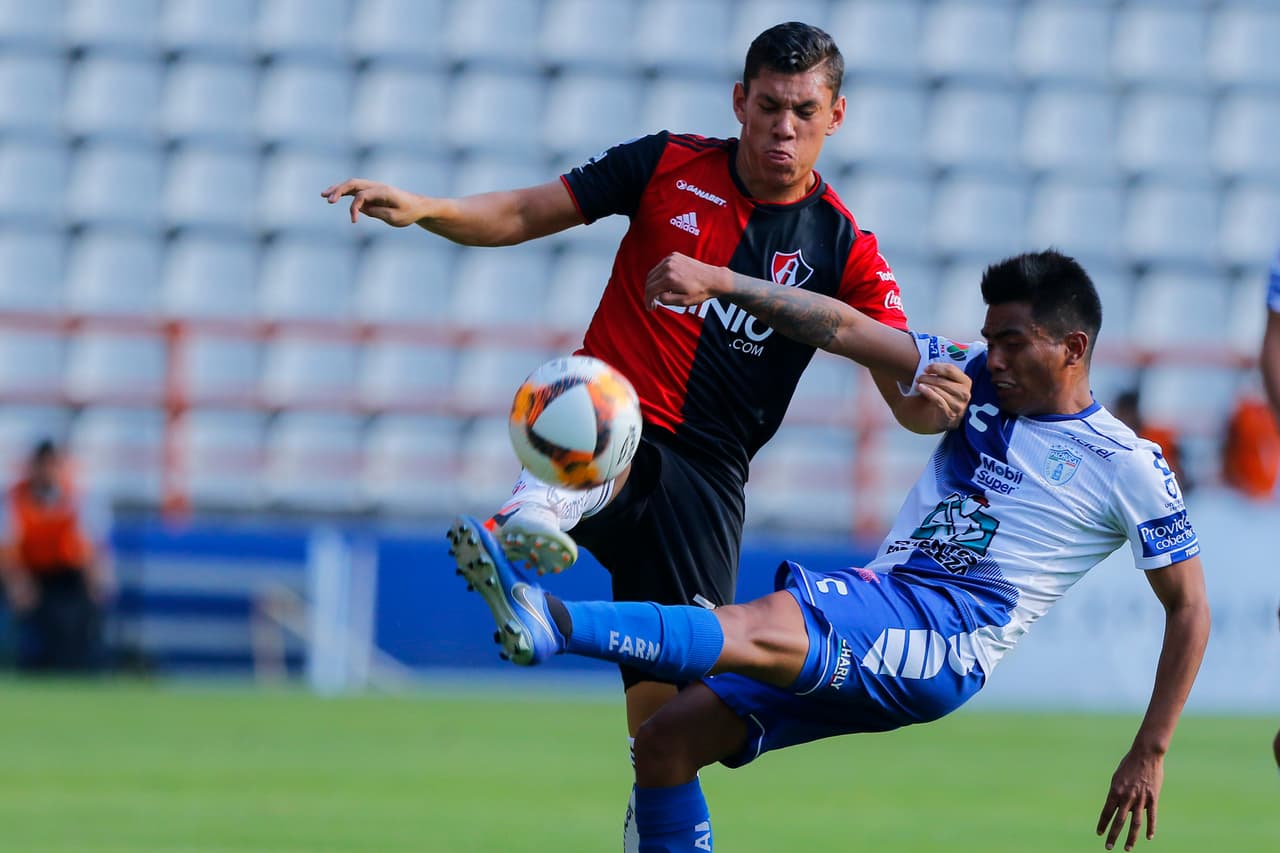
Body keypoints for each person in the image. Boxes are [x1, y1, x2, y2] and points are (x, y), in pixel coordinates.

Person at [324, 21, 971, 843]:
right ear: (740, 101)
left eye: (803, 111)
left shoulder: (844, 248)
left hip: (706, 483)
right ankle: (531, 515)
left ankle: (642, 815)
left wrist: (932, 401)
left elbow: (903, 397)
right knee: (591, 397)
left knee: (661, 739)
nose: (783, 126)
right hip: (613, 413)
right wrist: (429, 209)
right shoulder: (667, 164)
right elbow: (527, 210)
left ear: (836, 115)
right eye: (768, 105)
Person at [451, 250, 1211, 852]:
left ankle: (550, 620)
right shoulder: (971, 377)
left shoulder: (1128, 464)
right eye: (989, 340)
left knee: (752, 624)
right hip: (887, 598)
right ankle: (549, 622)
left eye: (1012, 342)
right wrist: (724, 282)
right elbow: (846, 329)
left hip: (941, 637)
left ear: (1073, 347)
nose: (994, 358)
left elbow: (1190, 608)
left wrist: (1151, 748)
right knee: (665, 741)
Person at [0, 439, 111, 672]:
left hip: (65, 575)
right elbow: (7, 550)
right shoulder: (13, 499)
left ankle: (81, 665)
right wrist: (18, 584)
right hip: (29, 573)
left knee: (80, 609)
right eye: (43, 465)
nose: (48, 471)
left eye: (53, 465)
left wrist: (99, 582)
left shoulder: (79, 499)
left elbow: (93, 549)